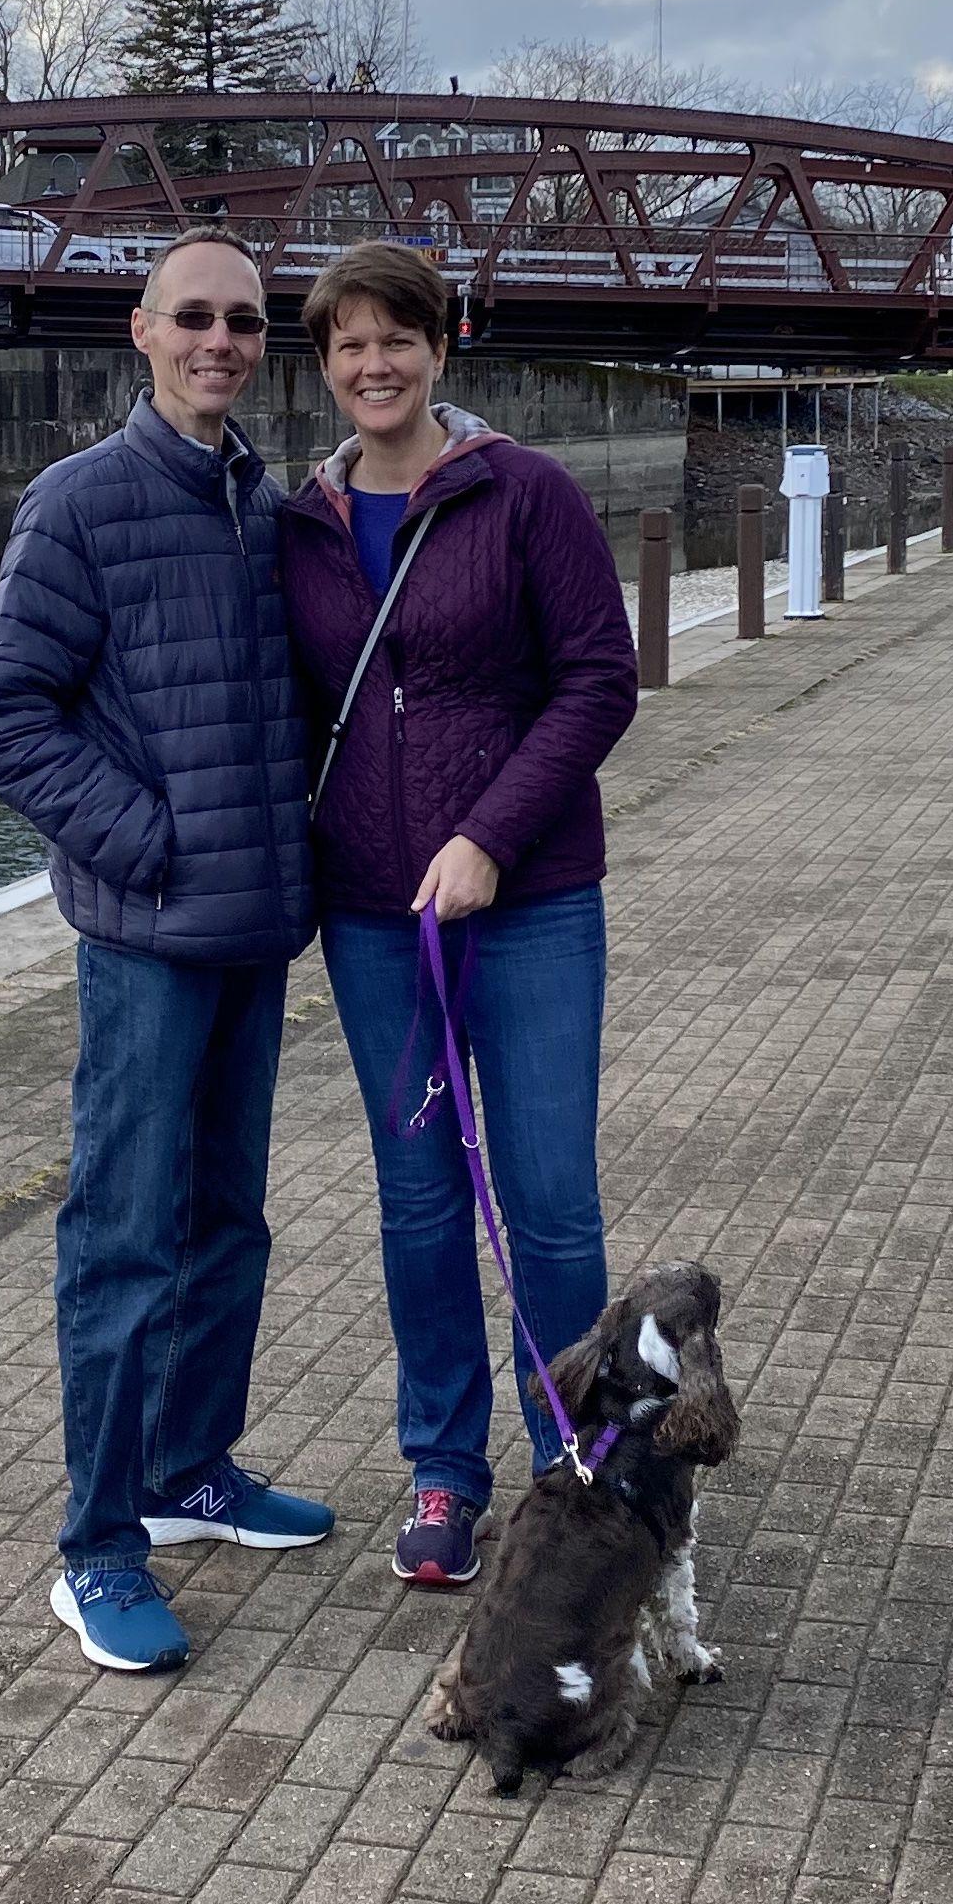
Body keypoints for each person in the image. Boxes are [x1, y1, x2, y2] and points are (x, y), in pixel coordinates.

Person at [0, 234, 335, 1673]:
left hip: (252, 934)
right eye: (194, 317)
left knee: (228, 1221)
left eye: (244, 322)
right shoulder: (81, 504)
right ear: (142, 332)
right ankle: (97, 1545)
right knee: (122, 1238)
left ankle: (192, 1473)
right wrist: (148, 841)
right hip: (149, 939)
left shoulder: (263, 506)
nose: (220, 341)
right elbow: (1, 716)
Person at [276, 240, 639, 1588]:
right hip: (376, 921)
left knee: (546, 1204)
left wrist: (490, 834)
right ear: (325, 369)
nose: (376, 365)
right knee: (418, 1204)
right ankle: (443, 1468)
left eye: (398, 339)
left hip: (531, 906)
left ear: (441, 348)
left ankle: (578, 1457)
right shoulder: (300, 528)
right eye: (349, 346)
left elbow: (600, 682)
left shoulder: (523, 495)